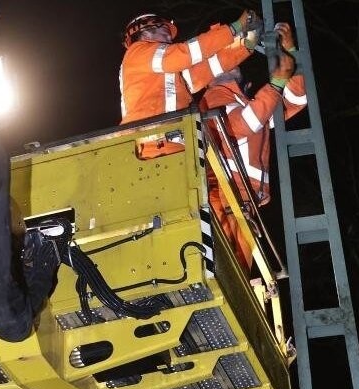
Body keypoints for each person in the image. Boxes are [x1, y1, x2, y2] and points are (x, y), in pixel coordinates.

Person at [197, 22, 307, 272]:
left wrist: (289, 51)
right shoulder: (212, 97)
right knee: (224, 277)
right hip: (223, 198)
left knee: (234, 280)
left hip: (240, 202)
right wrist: (277, 83)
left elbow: (296, 100)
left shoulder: (244, 100)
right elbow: (238, 125)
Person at [119, 10, 263, 126]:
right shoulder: (137, 52)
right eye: (165, 32)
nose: (170, 39)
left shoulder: (163, 71)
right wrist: (235, 27)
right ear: (145, 31)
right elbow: (186, 53)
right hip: (150, 139)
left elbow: (208, 68)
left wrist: (246, 45)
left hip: (163, 140)